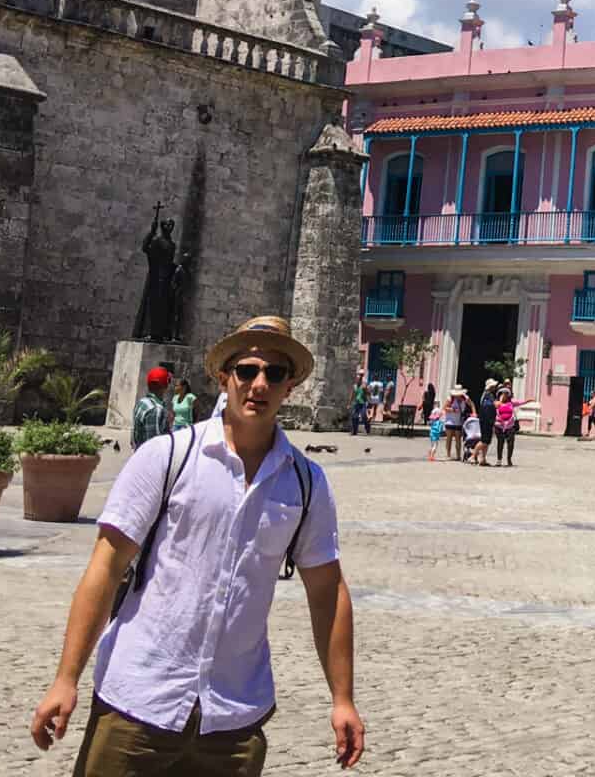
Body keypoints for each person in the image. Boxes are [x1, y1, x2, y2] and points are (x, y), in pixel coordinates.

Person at [29, 314, 365, 771]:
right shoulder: (167, 457)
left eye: (274, 373)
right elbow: (104, 570)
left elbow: (327, 592)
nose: (258, 383)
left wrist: (342, 698)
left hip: (233, 717)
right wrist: (65, 680)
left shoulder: (306, 485)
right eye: (246, 370)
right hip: (139, 701)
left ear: (290, 387)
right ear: (224, 378)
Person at [131, 368, 174, 450]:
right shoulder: (155, 409)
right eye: (168, 382)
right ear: (164, 385)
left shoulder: (142, 402)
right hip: (149, 459)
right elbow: (154, 445)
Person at [493, 388, 518, 468]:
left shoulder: (511, 403)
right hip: (499, 426)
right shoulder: (497, 403)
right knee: (500, 443)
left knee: (511, 443)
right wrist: (500, 400)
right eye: (502, 393)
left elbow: (521, 402)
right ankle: (499, 460)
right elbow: (494, 408)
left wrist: (529, 400)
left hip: (510, 426)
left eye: (506, 394)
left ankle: (509, 459)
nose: (504, 395)